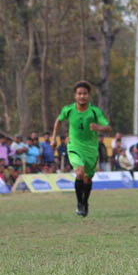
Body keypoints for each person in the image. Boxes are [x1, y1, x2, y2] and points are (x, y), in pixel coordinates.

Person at [52, 81, 112, 216]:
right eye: (79, 94)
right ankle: (79, 204)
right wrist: (53, 138)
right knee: (79, 172)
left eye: (84, 94)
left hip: (91, 149)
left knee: (88, 179)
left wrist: (98, 127)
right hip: (74, 146)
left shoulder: (95, 112)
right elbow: (58, 121)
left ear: (89, 96)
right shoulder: (68, 110)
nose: (82, 96)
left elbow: (108, 128)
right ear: (75, 95)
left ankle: (85, 202)